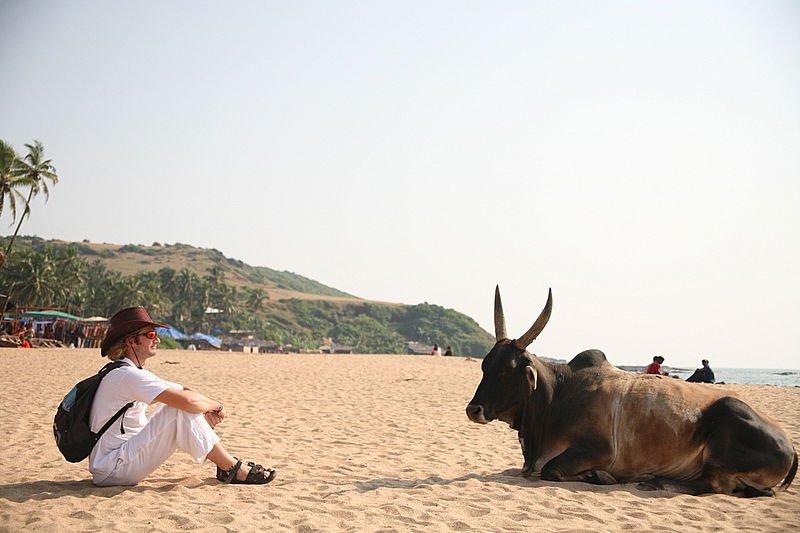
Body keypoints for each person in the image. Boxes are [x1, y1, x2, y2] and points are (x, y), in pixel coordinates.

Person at [88, 306, 276, 486]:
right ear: (130, 341)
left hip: (116, 460)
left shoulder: (127, 372)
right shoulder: (127, 376)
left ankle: (226, 466)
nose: (157, 340)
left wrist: (203, 411)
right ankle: (232, 468)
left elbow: (185, 391)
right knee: (179, 408)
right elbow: (187, 401)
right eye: (151, 335)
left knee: (180, 406)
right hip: (114, 468)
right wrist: (217, 406)